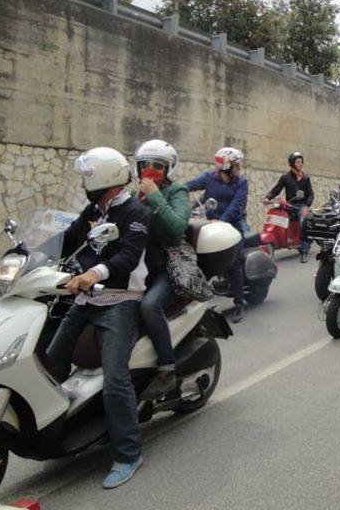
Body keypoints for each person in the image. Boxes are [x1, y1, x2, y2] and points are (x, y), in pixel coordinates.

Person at [46, 147, 152, 489]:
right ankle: (57, 428)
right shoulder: (94, 211)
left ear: (102, 179)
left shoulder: (135, 213)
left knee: (115, 378)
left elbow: (128, 256)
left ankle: (128, 454)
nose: (82, 183)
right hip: (86, 297)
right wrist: (29, 256)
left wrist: (94, 273)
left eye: (86, 178)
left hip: (120, 300)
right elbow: (68, 240)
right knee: (52, 359)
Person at [134, 139, 192, 400]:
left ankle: (167, 370)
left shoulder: (176, 192)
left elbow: (177, 227)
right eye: (145, 165)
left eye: (157, 166)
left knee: (149, 306)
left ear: (169, 169)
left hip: (168, 265)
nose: (150, 170)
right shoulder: (136, 194)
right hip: (139, 266)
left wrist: (155, 196)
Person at [186, 147, 249, 322]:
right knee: (200, 261)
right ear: (226, 165)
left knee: (234, 264)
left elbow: (236, 206)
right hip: (211, 227)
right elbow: (188, 186)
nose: (239, 168)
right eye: (236, 165)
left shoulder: (241, 183)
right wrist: (175, 197)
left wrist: (222, 221)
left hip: (233, 227)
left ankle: (238, 304)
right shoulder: (209, 178)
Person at [264, 152, 315, 263]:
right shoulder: (285, 177)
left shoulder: (306, 178)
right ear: (292, 163)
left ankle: (304, 251)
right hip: (289, 205)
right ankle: (281, 240)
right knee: (276, 215)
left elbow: (310, 194)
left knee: (303, 223)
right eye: (297, 162)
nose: (300, 164)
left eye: (301, 162)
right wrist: (268, 197)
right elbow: (276, 189)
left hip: (301, 206)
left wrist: (306, 206)